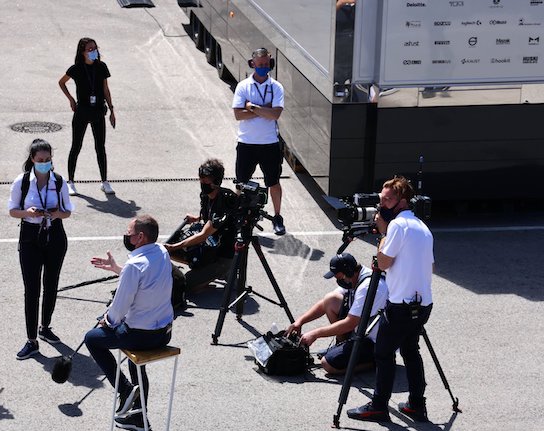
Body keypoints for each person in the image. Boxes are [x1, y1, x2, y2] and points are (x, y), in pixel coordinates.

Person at [348, 176, 434, 423]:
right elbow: (432, 266)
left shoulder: (396, 226)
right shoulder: (423, 228)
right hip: (423, 304)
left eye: (388, 199)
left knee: (383, 353)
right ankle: (416, 405)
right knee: (410, 350)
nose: (382, 204)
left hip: (401, 306)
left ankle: (378, 406)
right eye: (381, 199)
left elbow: (383, 263)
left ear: (402, 202)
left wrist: (384, 234)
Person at [84, 215, 173, 431]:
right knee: (136, 362)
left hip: (141, 335)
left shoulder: (134, 265)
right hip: (164, 332)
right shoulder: (161, 252)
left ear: (140, 237)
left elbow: (119, 309)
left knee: (92, 339)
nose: (126, 235)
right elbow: (145, 280)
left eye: (129, 233)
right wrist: (118, 269)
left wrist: (106, 321)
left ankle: (125, 390)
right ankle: (139, 417)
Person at [8, 139, 74, 360]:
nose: (44, 163)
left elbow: (67, 211)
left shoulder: (58, 181)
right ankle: (31, 339)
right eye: (40, 160)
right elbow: (12, 210)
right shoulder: (22, 181)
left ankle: (45, 326)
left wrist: (54, 213)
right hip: (30, 236)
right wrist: (29, 212)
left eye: (48, 160)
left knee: (51, 283)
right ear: (32, 160)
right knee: (32, 289)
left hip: (54, 234)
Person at [285, 253, 388, 375]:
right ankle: (344, 348)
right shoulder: (355, 277)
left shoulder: (367, 287)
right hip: (362, 331)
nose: (338, 281)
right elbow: (325, 304)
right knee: (331, 300)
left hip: (376, 343)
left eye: (339, 277)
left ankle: (376, 361)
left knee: (327, 364)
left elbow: (350, 323)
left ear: (349, 272)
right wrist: (300, 322)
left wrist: (315, 334)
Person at [232, 48, 286, 235]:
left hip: (269, 143)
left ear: (269, 64)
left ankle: (277, 217)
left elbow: (276, 114)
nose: (263, 67)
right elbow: (238, 114)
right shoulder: (243, 86)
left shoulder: (276, 87)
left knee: (273, 182)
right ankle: (237, 215)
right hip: (246, 143)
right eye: (259, 64)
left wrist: (252, 107)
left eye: (266, 64)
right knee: (241, 182)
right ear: (252, 63)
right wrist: (265, 109)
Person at [164, 158, 237, 293]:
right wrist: (197, 218)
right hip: (210, 248)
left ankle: (223, 271)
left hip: (222, 255)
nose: (202, 183)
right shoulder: (206, 195)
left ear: (216, 181)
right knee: (174, 248)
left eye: (205, 181)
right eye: (201, 179)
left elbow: (204, 234)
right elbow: (209, 216)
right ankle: (204, 271)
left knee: (185, 286)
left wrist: (174, 246)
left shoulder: (226, 200)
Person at [58, 37, 116, 196]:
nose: (93, 52)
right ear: (82, 52)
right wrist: (71, 99)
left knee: (100, 147)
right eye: (90, 49)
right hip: (82, 111)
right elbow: (61, 82)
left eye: (95, 48)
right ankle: (70, 182)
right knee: (76, 146)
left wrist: (112, 109)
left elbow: (106, 89)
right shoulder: (76, 68)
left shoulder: (101, 67)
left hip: (98, 111)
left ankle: (105, 182)